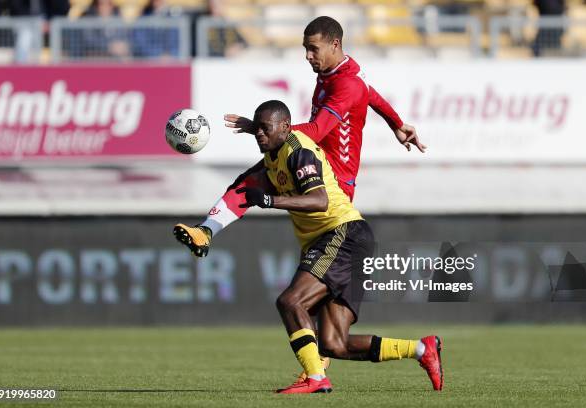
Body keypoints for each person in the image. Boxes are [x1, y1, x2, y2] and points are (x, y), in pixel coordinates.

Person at [174, 100, 443, 394]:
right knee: (333, 343)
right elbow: (240, 191)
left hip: (341, 234)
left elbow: (319, 201)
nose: (259, 135)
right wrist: (206, 230)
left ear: (286, 127)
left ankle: (316, 378)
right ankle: (421, 349)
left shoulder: (298, 152)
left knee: (291, 302)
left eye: (265, 129)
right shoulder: (273, 157)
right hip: (346, 239)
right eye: (257, 129)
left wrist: (269, 201)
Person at [177, 16, 425, 258]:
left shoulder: (346, 84)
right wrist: (398, 124)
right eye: (306, 48)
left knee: (252, 185)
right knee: (247, 181)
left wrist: (262, 129)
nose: (308, 56)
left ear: (335, 45)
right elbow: (370, 93)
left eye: (313, 49)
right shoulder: (339, 72)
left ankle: (207, 230)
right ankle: (205, 231)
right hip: (313, 159)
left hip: (334, 181)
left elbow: (317, 130)